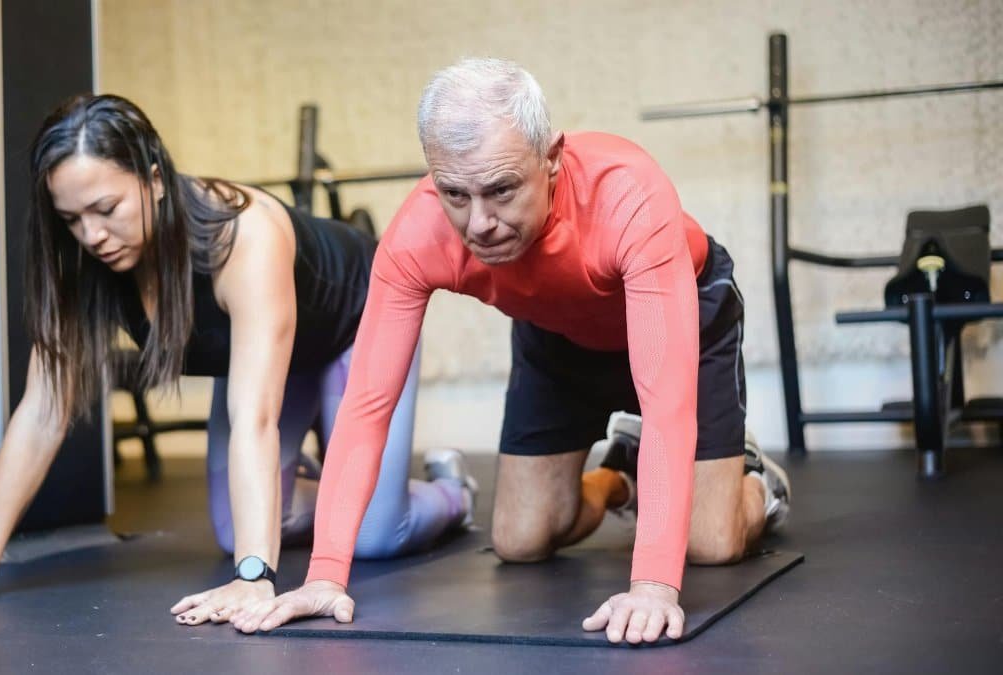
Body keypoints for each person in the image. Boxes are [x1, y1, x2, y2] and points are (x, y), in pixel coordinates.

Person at [234, 58, 791, 644]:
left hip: (683, 312)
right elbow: (368, 405)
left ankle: (756, 481)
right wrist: (325, 576)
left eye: (501, 190)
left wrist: (652, 585)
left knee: (710, 545)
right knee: (522, 541)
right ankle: (618, 476)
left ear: (551, 159)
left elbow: (668, 404)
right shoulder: (417, 236)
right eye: (454, 193)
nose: (479, 224)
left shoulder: (627, 195)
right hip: (556, 332)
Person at [0, 94, 474, 624]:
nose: (91, 235)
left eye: (106, 207)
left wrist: (255, 578)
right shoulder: (84, 266)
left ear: (155, 179)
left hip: (355, 327)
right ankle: (348, 482)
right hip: (276, 357)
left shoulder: (242, 235)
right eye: (71, 219)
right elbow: (40, 414)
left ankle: (451, 490)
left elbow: (255, 419)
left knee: (370, 534)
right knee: (233, 531)